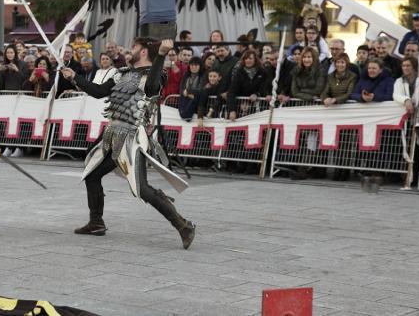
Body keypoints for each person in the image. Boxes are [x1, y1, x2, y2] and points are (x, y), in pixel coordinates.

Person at [60, 38, 196, 249]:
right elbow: (98, 92)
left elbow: (151, 86)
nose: (128, 50)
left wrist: (160, 54)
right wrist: (74, 77)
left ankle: (183, 225)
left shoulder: (156, 74)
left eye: (134, 47)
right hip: (112, 132)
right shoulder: (122, 73)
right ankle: (96, 222)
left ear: (143, 52)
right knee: (92, 175)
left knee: (141, 187)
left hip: (133, 135)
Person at [227, 50, 269, 121]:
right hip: (241, 108)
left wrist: (257, 94)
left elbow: (265, 88)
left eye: (250, 58)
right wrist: (232, 110)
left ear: (255, 60)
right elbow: (232, 91)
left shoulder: (262, 72)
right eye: (245, 59)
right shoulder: (239, 72)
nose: (247, 60)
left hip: (259, 108)